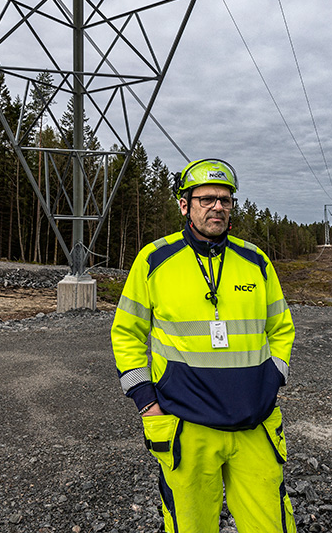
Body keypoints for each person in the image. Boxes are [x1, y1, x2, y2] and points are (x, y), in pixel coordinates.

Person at [111, 158, 297, 533]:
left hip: (254, 425)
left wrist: (272, 380)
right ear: (185, 205)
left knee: (272, 526)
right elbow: (126, 333)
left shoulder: (255, 261)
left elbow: (282, 328)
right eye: (207, 198)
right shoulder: (154, 259)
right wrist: (146, 400)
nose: (217, 207)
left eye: (226, 200)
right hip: (185, 426)